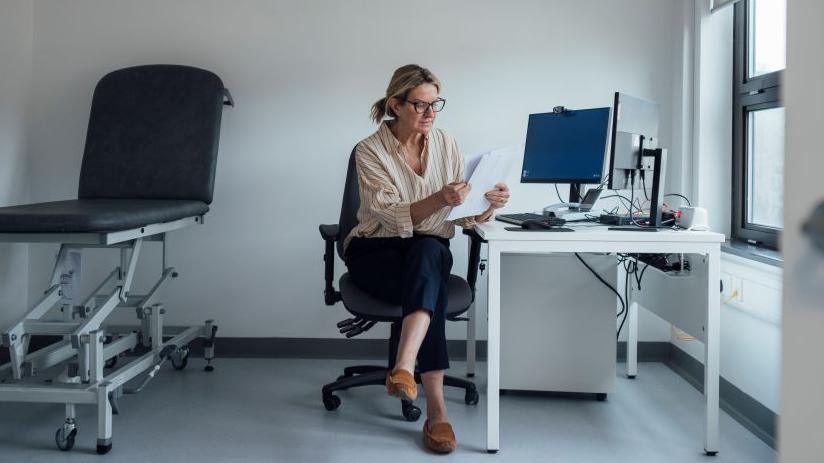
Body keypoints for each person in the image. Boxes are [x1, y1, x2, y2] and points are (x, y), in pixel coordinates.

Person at [343, 64, 510, 453]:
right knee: (429, 277)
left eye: (437, 104)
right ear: (395, 105)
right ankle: (437, 411)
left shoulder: (447, 144)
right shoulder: (368, 151)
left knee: (428, 251)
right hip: (375, 250)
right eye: (421, 105)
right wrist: (439, 199)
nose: (431, 113)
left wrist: (489, 203)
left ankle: (405, 366)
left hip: (428, 249)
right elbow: (389, 214)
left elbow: (460, 213)